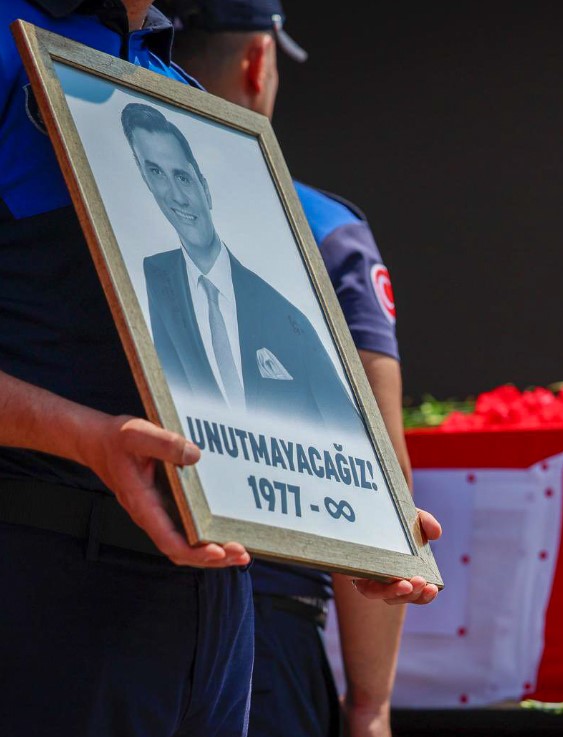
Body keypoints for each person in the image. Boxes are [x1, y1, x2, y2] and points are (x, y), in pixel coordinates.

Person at [0, 2, 438, 735]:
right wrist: (84, 436)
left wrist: (354, 513)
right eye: (156, 175)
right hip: (52, 583)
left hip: (218, 613)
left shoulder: (178, 87)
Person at [162, 2, 425, 735]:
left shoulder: (80, 207)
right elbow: (377, 464)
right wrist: (370, 706)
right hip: (264, 634)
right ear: (258, 61)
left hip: (95, 611)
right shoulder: (325, 229)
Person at [122, 101, 362, 436]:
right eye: (156, 173)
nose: (175, 195)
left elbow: (350, 440)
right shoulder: (151, 279)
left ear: (205, 188)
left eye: (182, 177)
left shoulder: (287, 317)